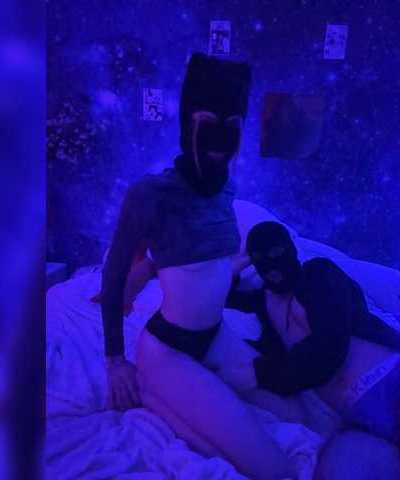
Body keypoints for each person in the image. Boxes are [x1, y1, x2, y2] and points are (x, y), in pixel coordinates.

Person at [94, 53, 294, 479]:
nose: (220, 143)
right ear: (189, 125)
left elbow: (205, 264)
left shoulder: (226, 191)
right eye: (208, 125)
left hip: (215, 335)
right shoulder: (150, 195)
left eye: (232, 127)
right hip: (168, 348)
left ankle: (161, 397)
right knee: (274, 468)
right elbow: (113, 275)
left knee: (298, 411)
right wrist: (114, 360)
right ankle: (154, 388)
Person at [220, 221, 400, 445]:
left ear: (290, 249)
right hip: (356, 419)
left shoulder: (319, 274)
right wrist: (233, 268)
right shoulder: (263, 303)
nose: (269, 263)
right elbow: (216, 299)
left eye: (276, 252)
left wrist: (255, 374)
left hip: (393, 379)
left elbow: (329, 347)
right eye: (259, 257)